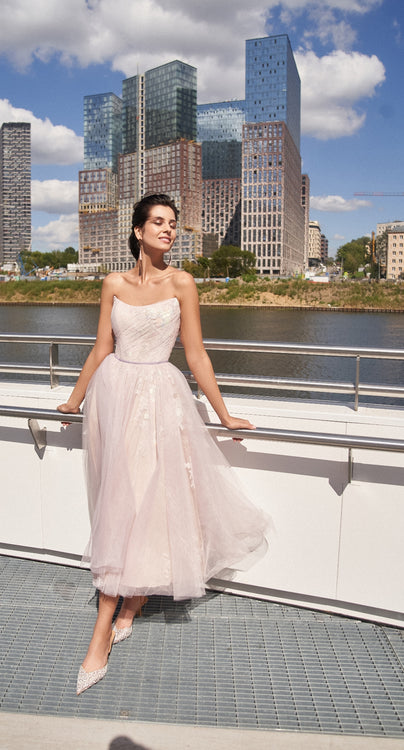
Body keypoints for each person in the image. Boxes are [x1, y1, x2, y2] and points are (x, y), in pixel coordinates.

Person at [57, 194, 269, 695]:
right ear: (137, 230)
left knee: (146, 504)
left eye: (172, 224)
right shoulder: (112, 284)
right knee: (120, 502)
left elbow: (195, 355)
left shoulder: (183, 283)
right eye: (158, 222)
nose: (168, 230)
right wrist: (73, 400)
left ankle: (102, 632)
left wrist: (223, 415)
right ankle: (130, 601)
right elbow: (101, 347)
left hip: (160, 399)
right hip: (114, 397)